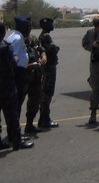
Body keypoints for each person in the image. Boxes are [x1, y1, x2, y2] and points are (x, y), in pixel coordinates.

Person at [0, 23, 33, 151]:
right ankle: (16, 141)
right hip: (6, 86)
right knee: (12, 115)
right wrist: (16, 58)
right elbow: (12, 64)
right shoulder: (5, 48)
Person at [37, 17, 60, 129]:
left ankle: (44, 119)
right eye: (51, 24)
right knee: (47, 94)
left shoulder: (42, 35)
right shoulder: (46, 36)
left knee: (45, 94)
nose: (53, 25)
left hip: (47, 67)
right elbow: (53, 49)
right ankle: (45, 119)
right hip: (49, 68)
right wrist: (56, 48)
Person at [82, 17, 99, 124]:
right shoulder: (90, 32)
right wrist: (93, 46)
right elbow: (85, 44)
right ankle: (93, 114)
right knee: (96, 89)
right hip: (95, 63)